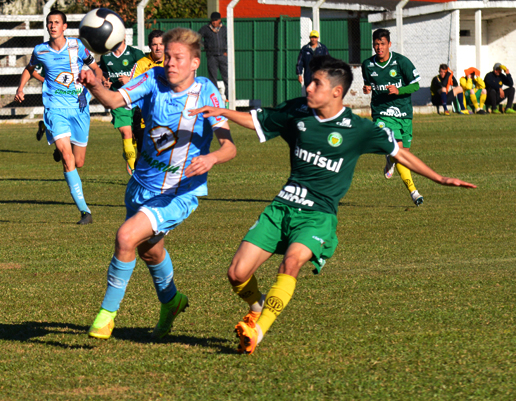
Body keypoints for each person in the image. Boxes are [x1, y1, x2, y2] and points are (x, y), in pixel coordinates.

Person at [191, 55, 475, 355]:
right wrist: (222, 110)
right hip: (282, 208)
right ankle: (258, 305)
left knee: (291, 262)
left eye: (316, 83)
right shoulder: (297, 113)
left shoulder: (358, 129)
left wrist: (439, 177)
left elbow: (399, 152)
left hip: (318, 216)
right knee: (236, 273)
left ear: (337, 92)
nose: (308, 87)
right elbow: (259, 120)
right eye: (310, 80)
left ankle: (259, 330)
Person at [77, 27, 236, 340]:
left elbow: (229, 146)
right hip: (141, 184)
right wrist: (95, 84)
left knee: (125, 238)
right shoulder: (152, 79)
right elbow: (113, 99)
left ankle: (106, 316)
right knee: (149, 251)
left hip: (178, 192)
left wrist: (212, 158)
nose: (170, 63)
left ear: (194, 62)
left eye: (178, 58)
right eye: (167, 56)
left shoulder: (207, 91)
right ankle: (172, 301)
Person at [15, 9, 104, 225]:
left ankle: (55, 141)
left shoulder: (77, 47)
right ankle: (85, 212)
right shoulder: (41, 50)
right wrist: (20, 88)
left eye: (57, 22)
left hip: (79, 108)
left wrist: (96, 80)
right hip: (54, 108)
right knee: (67, 158)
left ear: (65, 26)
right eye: (49, 22)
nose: (52, 25)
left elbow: (95, 68)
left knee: (78, 162)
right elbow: (29, 68)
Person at [361, 29, 424, 206]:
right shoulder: (367, 65)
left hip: (404, 114)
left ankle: (390, 159)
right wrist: (367, 89)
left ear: (389, 44)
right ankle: (414, 193)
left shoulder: (401, 62)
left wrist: (399, 90)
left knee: (403, 156)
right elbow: (368, 85)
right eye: (376, 44)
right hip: (382, 113)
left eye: (382, 43)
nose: (379, 47)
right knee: (397, 148)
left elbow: (416, 85)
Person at [98, 38, 144, 174]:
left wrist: (130, 80)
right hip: (118, 100)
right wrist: (104, 82)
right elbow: (103, 74)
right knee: (126, 132)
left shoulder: (136, 54)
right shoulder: (106, 57)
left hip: (137, 101)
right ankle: (132, 169)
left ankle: (129, 153)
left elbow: (147, 74)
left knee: (136, 136)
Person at [130, 29, 165, 152]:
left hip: (167, 113)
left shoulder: (172, 62)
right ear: (150, 46)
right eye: (155, 44)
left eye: (161, 44)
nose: (158, 48)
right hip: (144, 114)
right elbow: (133, 89)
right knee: (143, 152)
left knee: (164, 153)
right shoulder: (141, 64)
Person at [198, 12, 229, 101]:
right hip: (211, 56)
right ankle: (215, 97)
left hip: (223, 56)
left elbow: (229, 39)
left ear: (219, 20)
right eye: (212, 20)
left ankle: (229, 96)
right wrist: (205, 46)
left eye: (216, 20)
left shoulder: (224, 29)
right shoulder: (205, 29)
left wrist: (226, 50)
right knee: (212, 78)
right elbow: (197, 37)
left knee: (227, 77)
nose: (214, 22)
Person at [296, 30, 329, 94]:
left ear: (318, 38)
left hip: (320, 75)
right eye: (312, 37)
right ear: (309, 38)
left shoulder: (323, 48)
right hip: (308, 75)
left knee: (319, 92)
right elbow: (300, 62)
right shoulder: (305, 49)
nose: (313, 39)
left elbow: (327, 61)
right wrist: (299, 74)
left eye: (315, 37)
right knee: (309, 93)